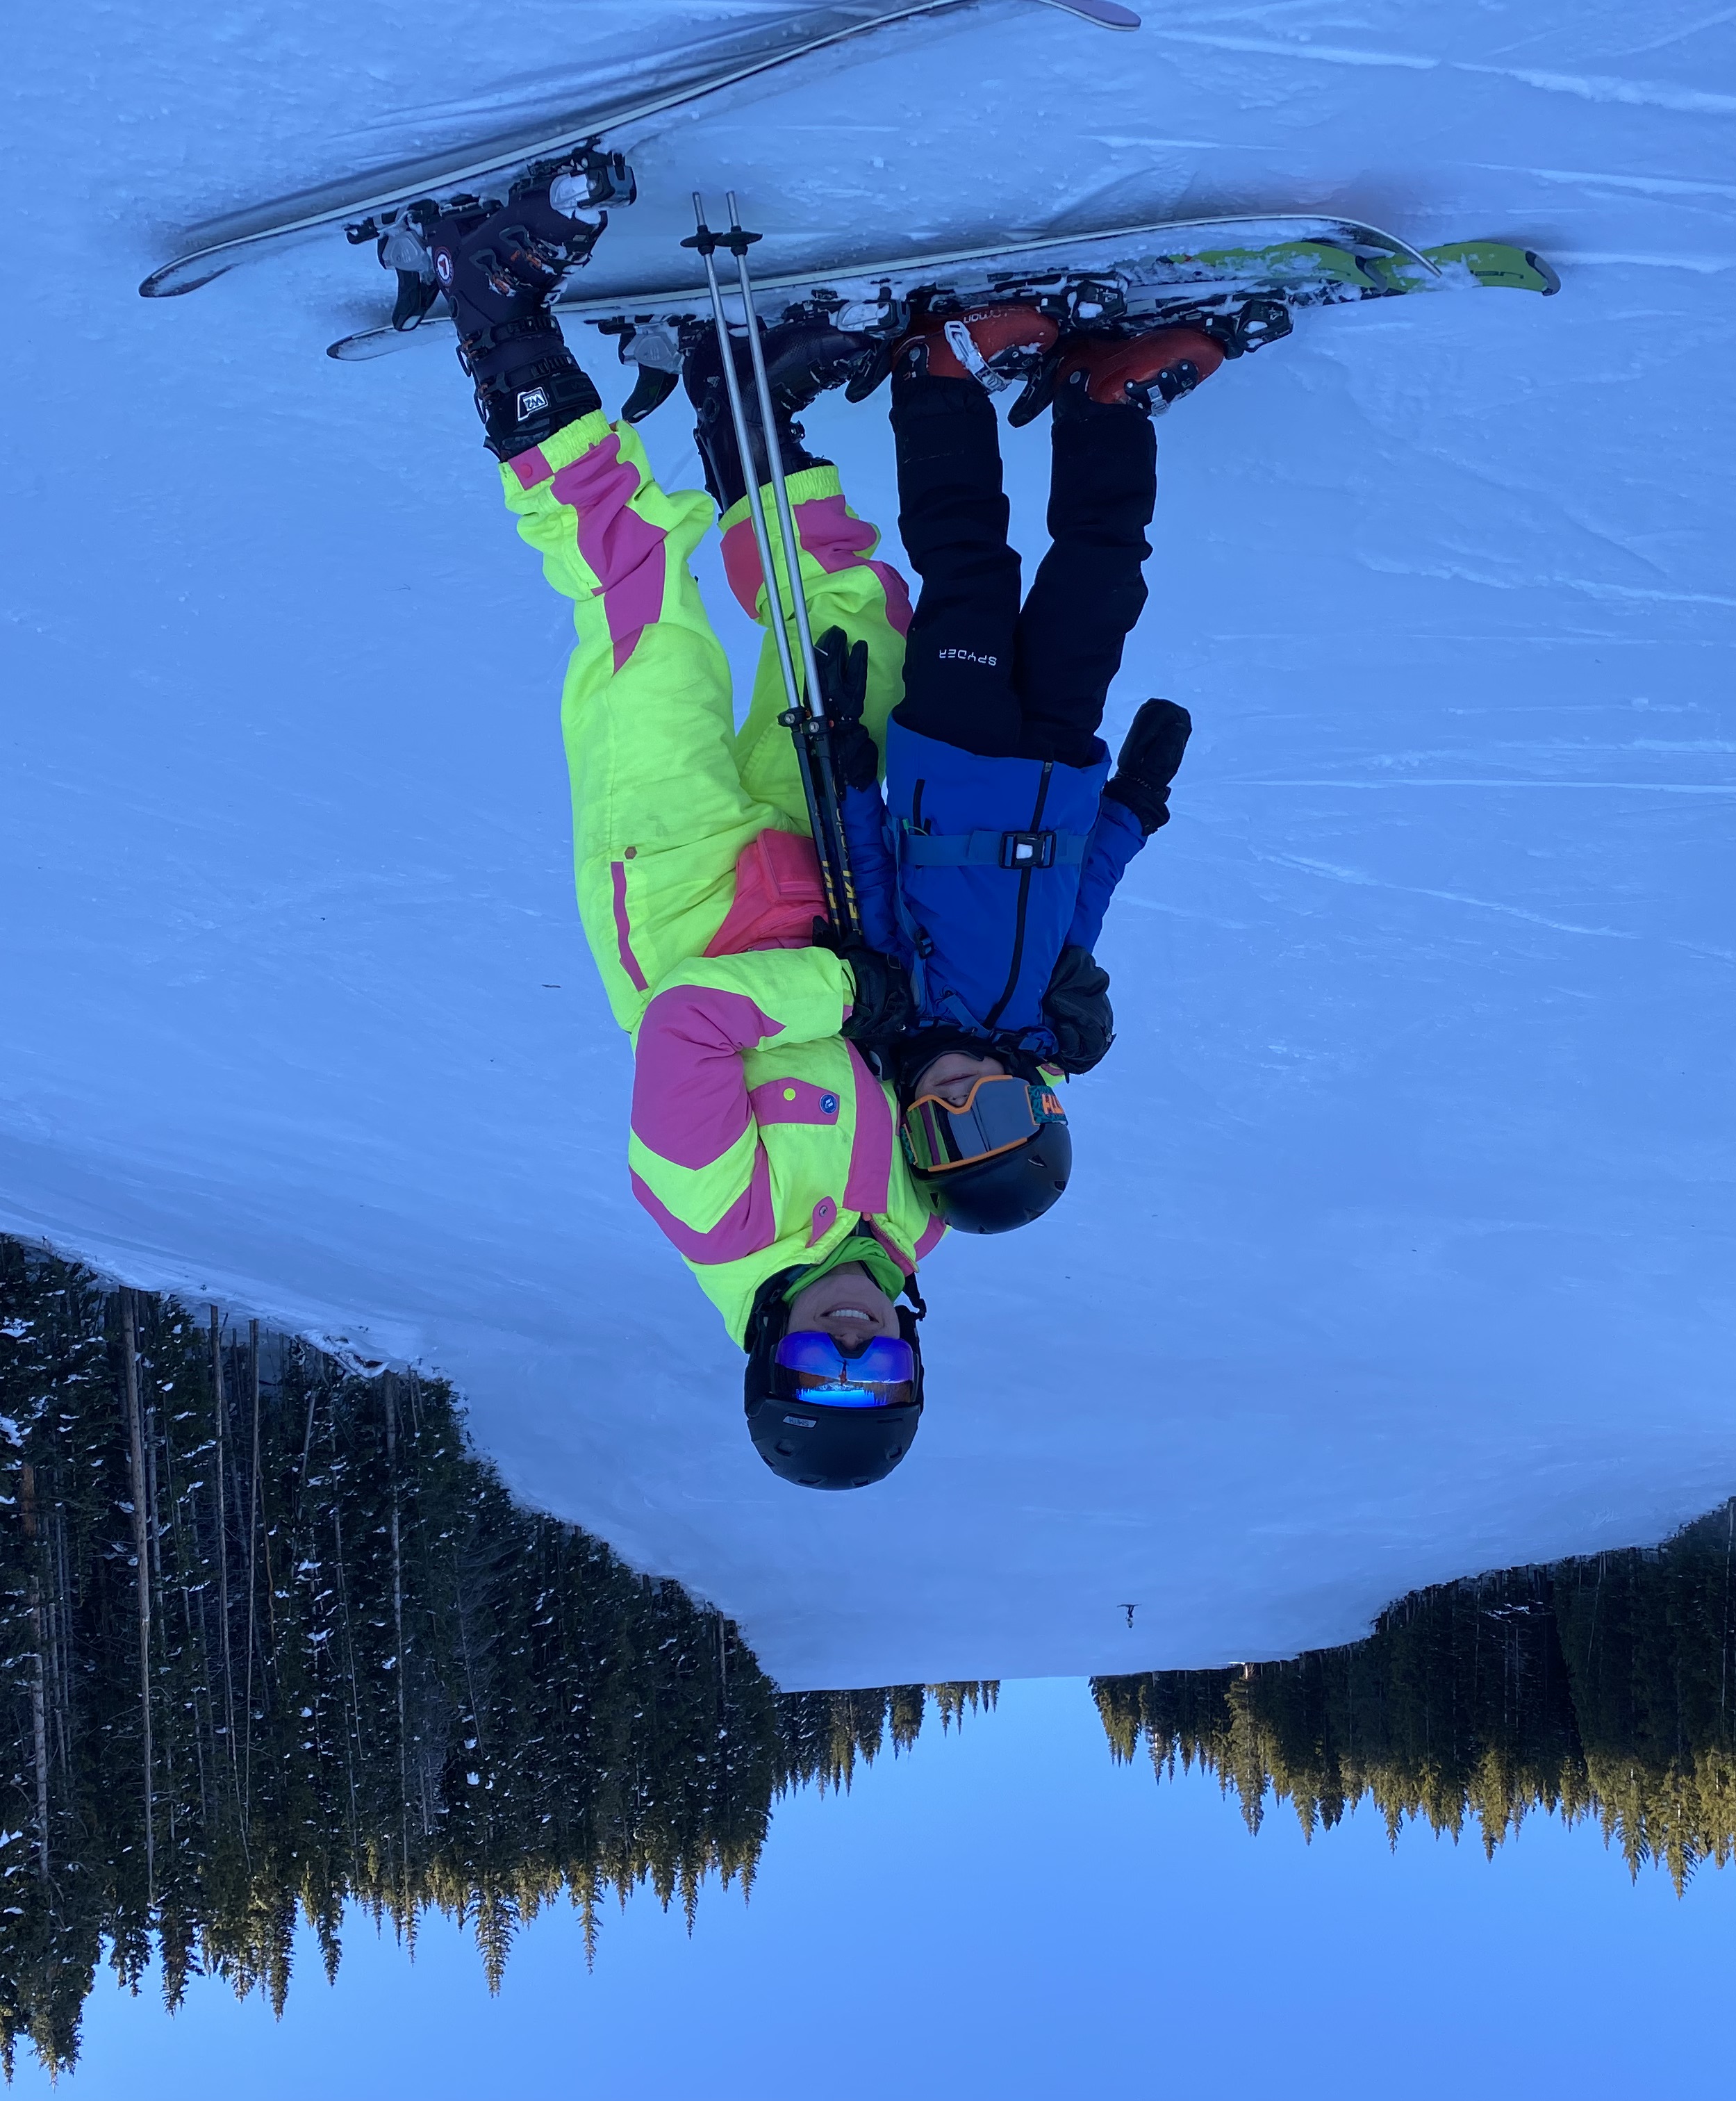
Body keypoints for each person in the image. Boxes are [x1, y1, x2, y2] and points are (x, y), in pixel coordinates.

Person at [426, 182, 935, 1491]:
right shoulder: (923, 1224)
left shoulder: (716, 1217)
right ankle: (743, 397)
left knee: (640, 598)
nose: (849, 1347)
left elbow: (690, 1030)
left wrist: (838, 989)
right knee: (867, 646)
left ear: (765, 1357)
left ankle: (501, 322)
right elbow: (956, 1069)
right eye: (876, 1374)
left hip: (685, 887)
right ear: (912, 1361)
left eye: (816, 1370)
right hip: (835, 877)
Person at [818, 299, 1207, 1235]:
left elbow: (864, 875)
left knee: (973, 573)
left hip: (948, 760)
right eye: (990, 1117)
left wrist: (845, 771)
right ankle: (1102, 397)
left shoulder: (892, 1008)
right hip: (1060, 769)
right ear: (1037, 1101)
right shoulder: (1047, 1018)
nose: (957, 1100)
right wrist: (1135, 804)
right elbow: (1086, 897)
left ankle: (936, 384)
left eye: (941, 1134)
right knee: (1099, 585)